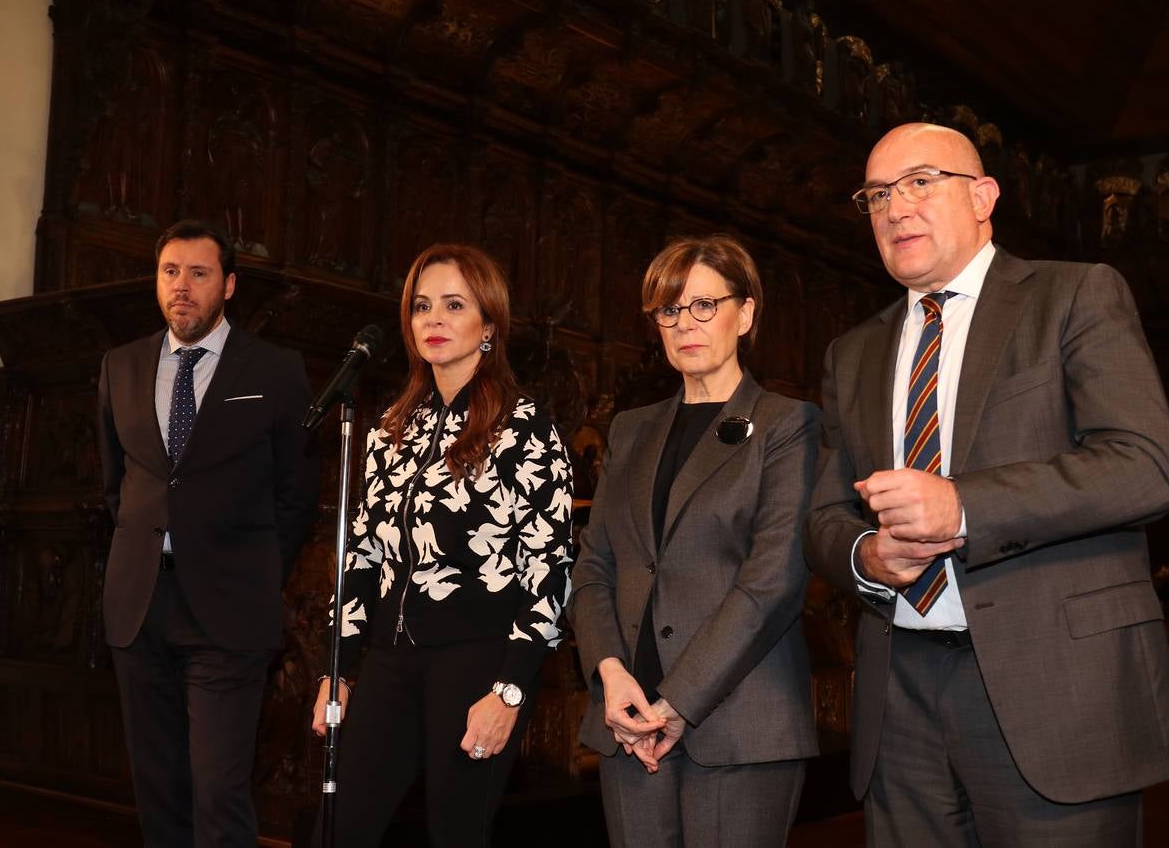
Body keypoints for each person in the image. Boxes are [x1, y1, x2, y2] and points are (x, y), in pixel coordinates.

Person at [806, 122, 1169, 846]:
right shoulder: (851, 352)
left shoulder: (1072, 295)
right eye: (877, 195)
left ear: (982, 197)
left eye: (920, 182)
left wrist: (966, 504)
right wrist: (865, 556)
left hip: (1053, 686)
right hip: (901, 696)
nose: (895, 208)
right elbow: (824, 515)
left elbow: (1144, 465)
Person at [310, 243, 574, 847]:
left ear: (489, 324)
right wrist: (339, 669)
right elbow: (362, 556)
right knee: (339, 827)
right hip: (390, 658)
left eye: (454, 305)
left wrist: (509, 689)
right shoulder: (391, 428)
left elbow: (550, 567)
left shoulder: (523, 425)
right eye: (422, 306)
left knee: (455, 834)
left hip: (477, 661)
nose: (433, 319)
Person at [569, 235, 821, 847]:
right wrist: (610, 673)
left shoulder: (786, 425)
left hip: (740, 723)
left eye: (705, 305)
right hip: (628, 720)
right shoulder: (632, 429)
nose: (686, 324)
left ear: (747, 313)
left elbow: (773, 583)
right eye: (669, 310)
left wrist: (678, 700)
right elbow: (594, 565)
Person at [97, 219, 320, 847]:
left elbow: (297, 494)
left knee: (218, 790)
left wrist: (252, 570)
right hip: (139, 607)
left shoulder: (276, 371)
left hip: (229, 610)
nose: (183, 287)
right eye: (171, 272)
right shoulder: (120, 366)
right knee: (157, 787)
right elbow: (117, 486)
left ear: (229, 286)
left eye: (199, 273)